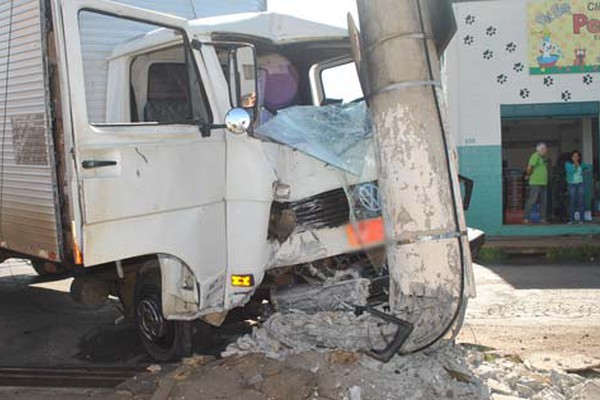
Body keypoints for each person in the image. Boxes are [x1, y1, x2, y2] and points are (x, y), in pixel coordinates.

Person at [524, 143, 549, 224]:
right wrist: (528, 175)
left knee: (543, 201)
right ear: (540, 149)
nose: (546, 150)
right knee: (532, 200)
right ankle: (526, 218)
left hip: (543, 183)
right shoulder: (535, 156)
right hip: (535, 182)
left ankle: (543, 219)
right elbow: (529, 167)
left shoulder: (543, 158)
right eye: (545, 149)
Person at [565, 150, 591, 223]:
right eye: (574, 156)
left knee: (581, 201)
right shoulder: (568, 164)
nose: (576, 158)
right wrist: (576, 165)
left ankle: (582, 219)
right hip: (572, 184)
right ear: (571, 157)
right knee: (572, 201)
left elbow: (589, 167)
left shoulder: (581, 164)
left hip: (580, 184)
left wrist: (585, 171)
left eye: (577, 156)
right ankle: (571, 219)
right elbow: (571, 171)